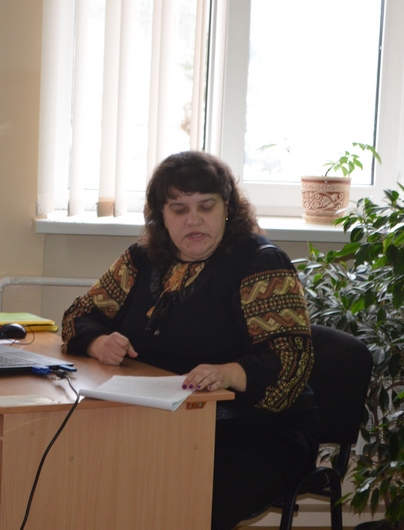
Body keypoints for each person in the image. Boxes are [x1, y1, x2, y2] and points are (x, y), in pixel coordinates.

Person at [61, 150, 320, 529]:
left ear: (227, 208)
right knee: (83, 464)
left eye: (206, 206)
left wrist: (229, 373)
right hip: (158, 419)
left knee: (175, 490)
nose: (193, 220)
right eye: (179, 209)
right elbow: (76, 317)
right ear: (161, 215)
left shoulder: (260, 263)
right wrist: (98, 342)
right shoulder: (141, 259)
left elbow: (290, 366)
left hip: (254, 428)